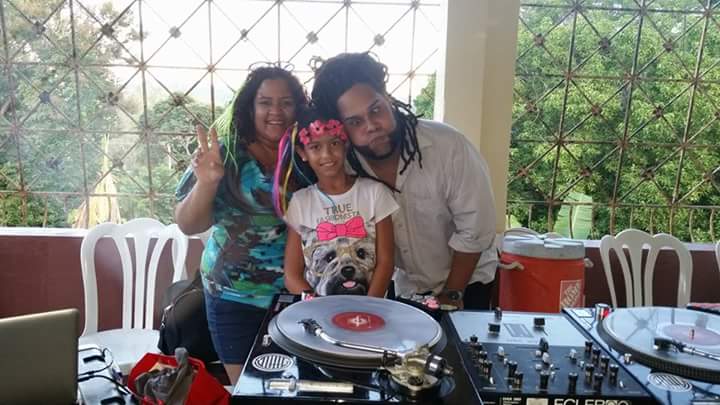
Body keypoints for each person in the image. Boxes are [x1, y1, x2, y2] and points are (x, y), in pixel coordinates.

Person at [311, 52, 498, 310]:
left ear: (387, 98)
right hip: (406, 290)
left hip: (468, 283)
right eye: (355, 121)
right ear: (342, 128)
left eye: (376, 109)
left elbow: (475, 228)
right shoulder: (345, 168)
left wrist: (452, 294)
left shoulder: (448, 146)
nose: (371, 125)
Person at [174, 66, 306, 384]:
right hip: (234, 297)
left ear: (298, 107)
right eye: (265, 102)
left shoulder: (309, 152)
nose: (276, 111)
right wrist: (207, 182)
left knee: (296, 388)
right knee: (252, 390)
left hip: (297, 296)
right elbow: (188, 224)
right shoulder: (225, 154)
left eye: (286, 102)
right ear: (250, 107)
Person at [274, 107, 398, 298]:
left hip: (372, 307)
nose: (327, 155)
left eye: (334, 143)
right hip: (319, 310)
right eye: (315, 147)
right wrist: (321, 308)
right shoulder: (300, 202)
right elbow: (292, 276)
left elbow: (386, 262)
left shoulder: (375, 193)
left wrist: (368, 307)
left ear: (345, 145)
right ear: (302, 153)